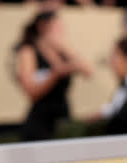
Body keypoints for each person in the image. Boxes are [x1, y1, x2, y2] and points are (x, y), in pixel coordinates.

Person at [12, 10, 92, 141]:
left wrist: (65, 48)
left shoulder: (62, 51)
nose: (60, 32)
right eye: (56, 27)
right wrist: (54, 75)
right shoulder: (29, 51)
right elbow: (31, 91)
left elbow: (88, 70)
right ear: (43, 27)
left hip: (62, 115)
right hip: (41, 120)